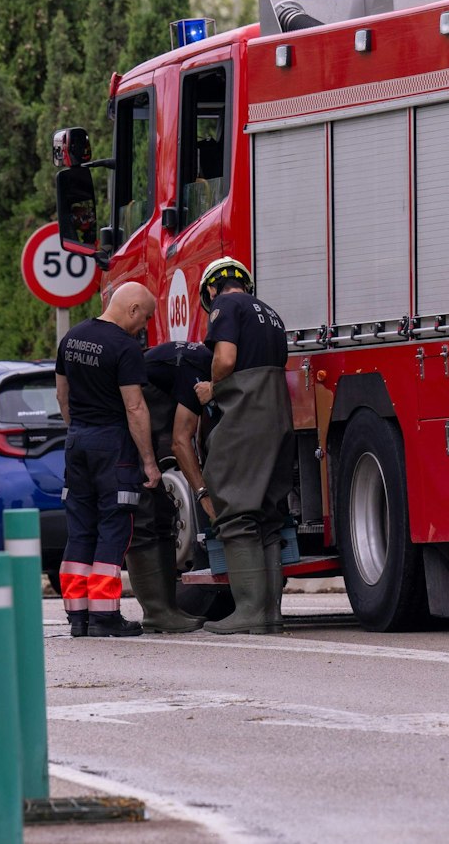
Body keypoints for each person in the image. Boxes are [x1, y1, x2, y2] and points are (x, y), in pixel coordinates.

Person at [54, 281, 161, 638]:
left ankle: (78, 616)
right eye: (144, 318)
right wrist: (149, 461)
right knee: (114, 526)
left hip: (77, 441)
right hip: (112, 445)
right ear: (132, 310)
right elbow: (134, 406)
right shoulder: (124, 347)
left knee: (80, 528)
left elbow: (62, 396)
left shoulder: (71, 338)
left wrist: (78, 431)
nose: (142, 327)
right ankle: (105, 616)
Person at [193, 257, 290, 635]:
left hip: (245, 416)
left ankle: (248, 610)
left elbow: (226, 358)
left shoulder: (225, 305)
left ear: (212, 289)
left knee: (235, 511)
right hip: (277, 415)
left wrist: (211, 388)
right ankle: (270, 614)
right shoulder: (270, 313)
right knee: (268, 517)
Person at [126, 339, 218, 633]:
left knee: (161, 511)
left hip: (148, 413)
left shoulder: (203, 363)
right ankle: (158, 612)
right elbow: (180, 442)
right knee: (148, 512)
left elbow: (197, 431)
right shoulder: (196, 370)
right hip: (136, 423)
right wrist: (202, 494)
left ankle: (167, 608)